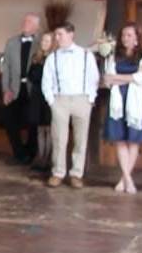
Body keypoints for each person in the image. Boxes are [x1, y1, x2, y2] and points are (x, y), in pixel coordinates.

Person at [41, 22, 99, 189]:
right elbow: (47, 81)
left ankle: (76, 174)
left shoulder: (86, 55)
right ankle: (58, 172)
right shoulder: (53, 57)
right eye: (56, 35)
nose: (57, 38)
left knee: (81, 139)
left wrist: (90, 99)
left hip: (82, 99)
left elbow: (93, 78)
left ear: (71, 34)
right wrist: (51, 101)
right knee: (59, 138)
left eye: (60, 34)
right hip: (60, 100)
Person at [103, 23, 142, 195]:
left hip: (135, 102)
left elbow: (141, 78)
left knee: (133, 140)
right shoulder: (113, 55)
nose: (125, 38)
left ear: (137, 38)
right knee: (120, 139)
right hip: (117, 100)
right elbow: (108, 79)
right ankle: (127, 178)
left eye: (129, 35)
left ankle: (125, 179)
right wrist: (129, 78)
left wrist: (119, 77)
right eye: (123, 35)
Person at [1, 13, 41, 165]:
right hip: (14, 88)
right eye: (25, 20)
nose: (25, 23)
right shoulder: (11, 42)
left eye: (29, 22)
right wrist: (6, 89)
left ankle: (31, 153)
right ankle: (18, 153)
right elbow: (7, 68)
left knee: (33, 123)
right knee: (10, 121)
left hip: (33, 89)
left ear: (36, 26)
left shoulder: (40, 43)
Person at [26, 33, 54, 172]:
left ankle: (47, 158)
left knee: (48, 128)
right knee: (39, 128)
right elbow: (31, 76)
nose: (44, 42)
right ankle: (40, 155)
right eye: (43, 40)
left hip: (49, 96)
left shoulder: (54, 58)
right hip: (37, 95)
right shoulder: (36, 58)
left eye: (47, 40)